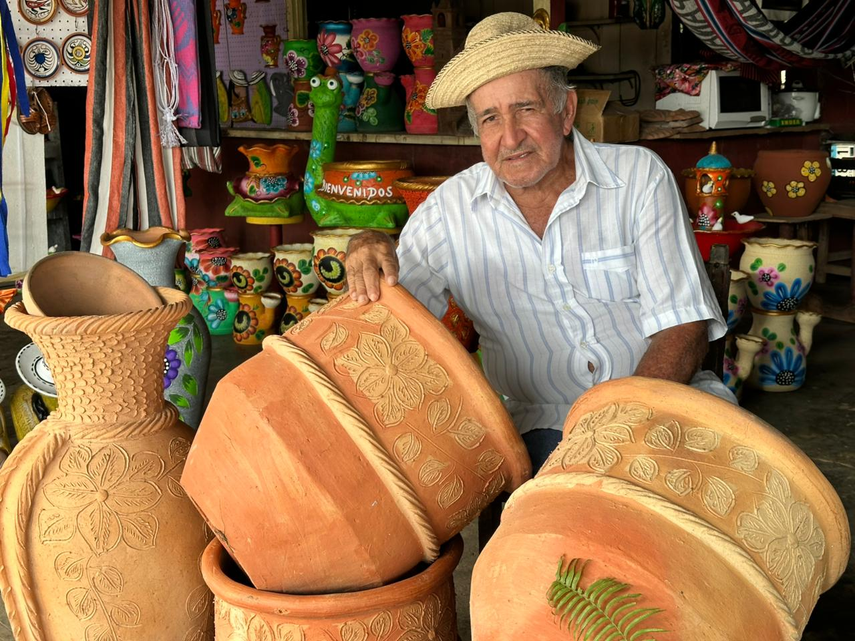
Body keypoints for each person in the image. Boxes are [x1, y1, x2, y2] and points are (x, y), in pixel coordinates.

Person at [345, 12, 733, 470]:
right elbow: (388, 324)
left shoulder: (638, 178)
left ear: (566, 111)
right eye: (490, 118)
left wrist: (623, 428)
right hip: (543, 428)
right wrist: (367, 244)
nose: (511, 138)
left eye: (525, 109)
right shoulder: (449, 210)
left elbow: (682, 328)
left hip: (665, 403)